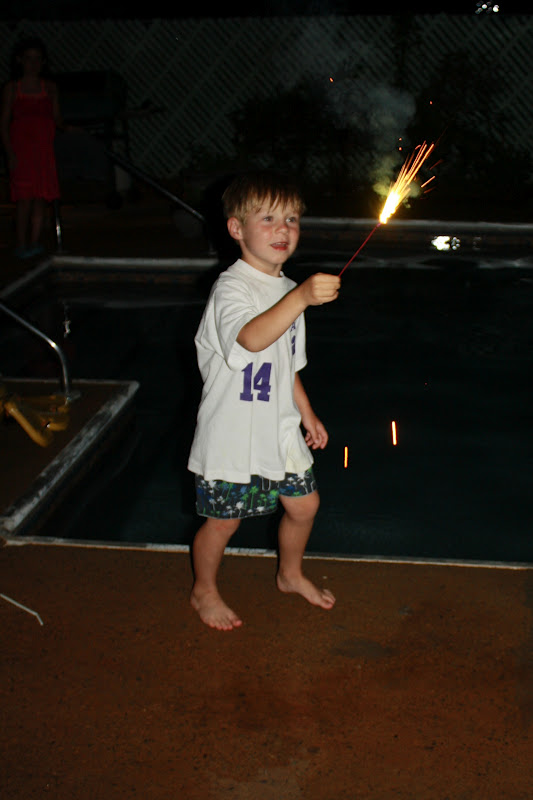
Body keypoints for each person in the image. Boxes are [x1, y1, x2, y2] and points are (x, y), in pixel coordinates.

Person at [187, 171, 341, 630]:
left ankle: (289, 574)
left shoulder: (288, 291)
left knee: (304, 506)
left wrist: (306, 414)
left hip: (279, 426)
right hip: (233, 432)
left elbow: (286, 363)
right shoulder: (231, 288)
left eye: (291, 219)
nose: (283, 229)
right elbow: (253, 338)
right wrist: (302, 298)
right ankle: (203, 589)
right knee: (223, 522)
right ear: (236, 228)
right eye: (268, 218)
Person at [1, 37, 61, 258]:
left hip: (43, 150)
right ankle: (21, 243)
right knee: (24, 199)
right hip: (22, 150)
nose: (33, 64)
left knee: (40, 198)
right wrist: (10, 153)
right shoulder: (12, 88)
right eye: (28, 59)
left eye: (37, 59)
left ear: (43, 62)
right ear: (20, 61)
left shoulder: (50, 88)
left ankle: (34, 242)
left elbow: (57, 119)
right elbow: (4, 123)